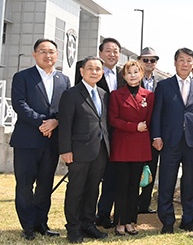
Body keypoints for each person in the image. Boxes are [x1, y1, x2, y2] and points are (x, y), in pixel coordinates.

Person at [11, 39, 70, 240]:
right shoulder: (22, 77)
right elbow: (19, 104)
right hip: (27, 140)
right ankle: (27, 226)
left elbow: (67, 108)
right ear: (34, 54)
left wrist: (55, 122)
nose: (48, 55)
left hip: (51, 141)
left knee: (45, 184)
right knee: (25, 184)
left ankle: (41, 223)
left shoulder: (64, 80)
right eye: (43, 51)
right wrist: (43, 122)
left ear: (57, 55)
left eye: (52, 51)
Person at [150, 48, 193, 234]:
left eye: (188, 61)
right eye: (181, 60)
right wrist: (156, 136)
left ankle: (188, 219)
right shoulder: (164, 85)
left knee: (190, 183)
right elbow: (157, 113)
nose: (185, 64)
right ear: (175, 63)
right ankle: (167, 221)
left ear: (192, 64)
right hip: (169, 140)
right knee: (167, 182)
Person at [74, 37, 124, 229]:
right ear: (100, 53)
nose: (112, 54)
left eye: (116, 51)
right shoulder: (91, 71)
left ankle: (103, 214)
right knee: (88, 180)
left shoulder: (123, 74)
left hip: (116, 135)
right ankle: (82, 218)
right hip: (92, 135)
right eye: (108, 51)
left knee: (111, 178)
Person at [58, 56, 110, 243]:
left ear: (102, 72)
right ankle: (73, 228)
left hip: (100, 151)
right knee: (76, 190)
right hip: (78, 151)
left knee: (92, 190)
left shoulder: (104, 94)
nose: (94, 72)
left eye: (98, 69)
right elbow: (65, 124)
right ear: (82, 71)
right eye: (90, 68)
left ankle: (88, 224)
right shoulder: (71, 94)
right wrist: (65, 150)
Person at [108, 60, 154, 236]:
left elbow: (150, 119)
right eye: (129, 72)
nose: (133, 75)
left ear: (142, 73)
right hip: (122, 145)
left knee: (134, 186)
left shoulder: (149, 95)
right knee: (121, 185)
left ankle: (130, 221)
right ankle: (119, 221)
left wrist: (143, 128)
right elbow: (113, 119)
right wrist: (134, 127)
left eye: (136, 71)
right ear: (124, 76)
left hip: (140, 146)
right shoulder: (116, 95)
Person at [136, 47, 163, 215]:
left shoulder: (160, 82)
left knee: (151, 169)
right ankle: (131, 204)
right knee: (134, 170)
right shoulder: (130, 78)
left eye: (152, 60)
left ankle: (144, 205)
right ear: (139, 61)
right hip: (135, 132)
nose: (149, 63)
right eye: (145, 60)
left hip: (154, 133)